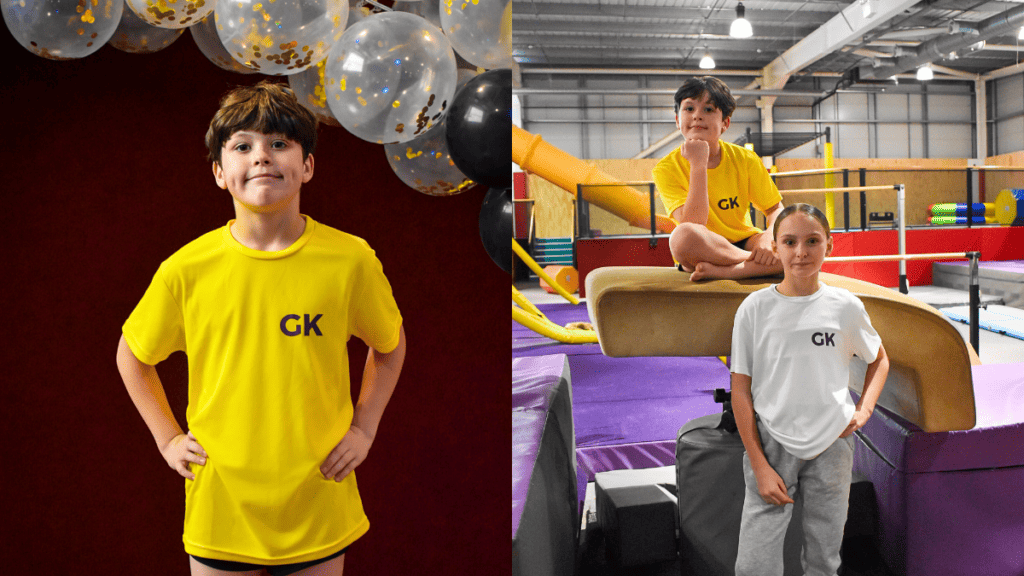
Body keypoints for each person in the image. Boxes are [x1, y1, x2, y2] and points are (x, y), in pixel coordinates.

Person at [116, 81, 406, 576]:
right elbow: (132, 355)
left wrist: (364, 427)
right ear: (219, 173)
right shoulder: (186, 269)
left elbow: (390, 346)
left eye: (279, 144)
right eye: (243, 146)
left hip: (316, 496)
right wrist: (167, 439)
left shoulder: (350, 260)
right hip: (221, 503)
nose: (262, 157)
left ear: (307, 165)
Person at [729, 203, 889, 576]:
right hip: (772, 444)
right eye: (790, 241)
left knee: (824, 556)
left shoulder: (844, 306)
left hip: (832, 442)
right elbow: (740, 389)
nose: (801, 252)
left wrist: (863, 410)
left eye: (812, 241)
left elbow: (879, 359)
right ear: (776, 246)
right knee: (754, 564)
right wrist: (758, 462)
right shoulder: (755, 309)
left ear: (829, 246)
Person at [652, 75, 786, 280]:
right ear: (678, 120)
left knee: (797, 233)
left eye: (708, 109)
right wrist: (698, 163)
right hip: (704, 248)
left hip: (745, 240)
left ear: (725, 123)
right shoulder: (666, 168)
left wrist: (769, 238)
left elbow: (775, 209)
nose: (697, 116)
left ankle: (733, 269)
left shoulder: (746, 159)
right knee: (682, 236)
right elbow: (694, 224)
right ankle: (756, 264)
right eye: (689, 109)